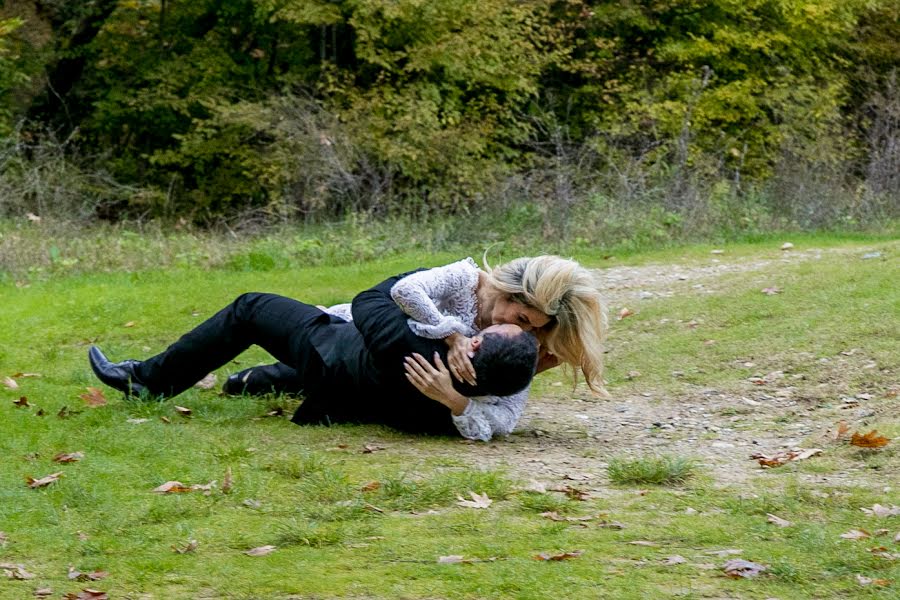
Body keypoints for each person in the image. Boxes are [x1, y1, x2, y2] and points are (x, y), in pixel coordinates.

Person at [88, 272, 538, 439]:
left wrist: (447, 330)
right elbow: (500, 423)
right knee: (269, 377)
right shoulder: (450, 413)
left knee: (251, 308)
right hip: (342, 402)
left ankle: (147, 380)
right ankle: (252, 381)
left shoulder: (411, 346)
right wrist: (459, 403)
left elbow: (373, 299)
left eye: (509, 326)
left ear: (476, 344)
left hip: (331, 356)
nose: (489, 323)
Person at [229, 255, 608, 437]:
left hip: (393, 381)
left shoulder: (521, 342)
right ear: (510, 291)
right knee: (300, 369)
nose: (511, 326)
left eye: (529, 328)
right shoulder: (466, 282)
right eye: (519, 317)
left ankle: (264, 381)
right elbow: (402, 292)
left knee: (340, 387)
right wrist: (452, 335)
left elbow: (503, 413)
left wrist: (461, 401)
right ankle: (254, 380)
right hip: (360, 337)